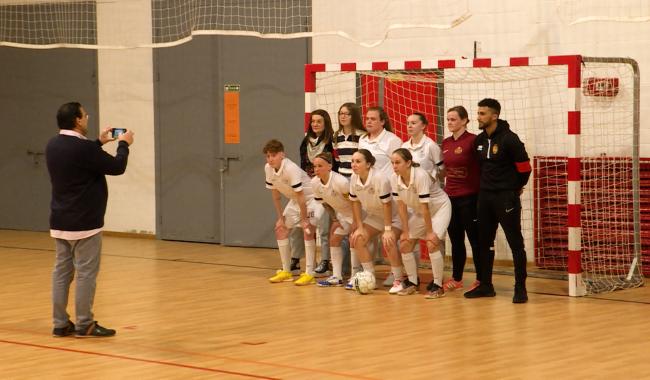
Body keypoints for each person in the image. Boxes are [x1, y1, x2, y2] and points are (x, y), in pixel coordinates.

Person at [46, 102, 134, 338]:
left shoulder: (53, 144)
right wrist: (124, 144)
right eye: (85, 115)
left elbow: (80, 158)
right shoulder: (83, 148)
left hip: (60, 220)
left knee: (61, 272)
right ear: (77, 120)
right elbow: (117, 167)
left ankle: (60, 323)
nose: (87, 118)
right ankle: (85, 323)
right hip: (85, 222)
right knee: (86, 273)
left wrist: (99, 142)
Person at [464, 98, 532, 303]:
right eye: (478, 113)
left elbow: (525, 169)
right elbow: (480, 168)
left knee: (515, 243)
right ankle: (486, 285)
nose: (478, 117)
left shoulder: (510, 139)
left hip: (505, 197)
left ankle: (520, 288)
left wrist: (514, 188)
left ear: (495, 115)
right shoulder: (479, 140)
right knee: (483, 242)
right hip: (485, 197)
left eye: (482, 113)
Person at [349, 149, 413, 294]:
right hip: (375, 216)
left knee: (388, 240)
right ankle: (369, 275)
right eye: (352, 161)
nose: (354, 164)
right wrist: (359, 226)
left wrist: (388, 229)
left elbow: (387, 205)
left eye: (358, 161)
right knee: (357, 238)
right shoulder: (354, 178)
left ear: (368, 164)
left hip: (394, 216)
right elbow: (355, 203)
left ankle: (398, 279)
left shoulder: (379, 178)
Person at [392, 148, 451, 297]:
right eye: (392, 163)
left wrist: (430, 233)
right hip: (421, 212)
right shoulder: (395, 178)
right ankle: (412, 283)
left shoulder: (420, 176)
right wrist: (405, 231)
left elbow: (425, 207)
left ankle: (438, 285)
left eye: (397, 162)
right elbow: (401, 206)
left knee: (432, 243)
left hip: (439, 209)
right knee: (405, 243)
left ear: (408, 162)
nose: (394, 166)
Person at [264, 139, 323, 286]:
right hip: (295, 201)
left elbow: (302, 196)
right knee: (280, 229)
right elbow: (275, 195)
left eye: (273, 155)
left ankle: (310, 273)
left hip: (312, 200)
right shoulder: (268, 168)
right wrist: (280, 218)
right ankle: (286, 271)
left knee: (308, 230)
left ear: (282, 155)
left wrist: (304, 220)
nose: (270, 159)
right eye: (268, 156)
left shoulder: (291, 168)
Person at [358, 106, 403, 285]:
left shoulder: (393, 140)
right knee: (358, 237)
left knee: (394, 239)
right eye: (367, 118)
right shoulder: (362, 140)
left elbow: (399, 166)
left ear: (383, 121)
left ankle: (398, 274)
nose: (368, 121)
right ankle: (368, 276)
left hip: (393, 198)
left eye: (373, 119)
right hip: (373, 199)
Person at [441, 106, 481, 293]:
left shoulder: (474, 141)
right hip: (450, 198)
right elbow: (444, 170)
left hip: (470, 198)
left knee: (475, 239)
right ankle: (457, 278)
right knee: (455, 240)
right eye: (448, 119)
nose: (450, 123)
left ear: (464, 121)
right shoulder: (446, 143)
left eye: (454, 119)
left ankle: (481, 279)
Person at [310, 152, 358, 287]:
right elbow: (324, 203)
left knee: (355, 241)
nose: (316, 169)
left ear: (330, 166)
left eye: (320, 166)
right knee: (334, 239)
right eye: (315, 166)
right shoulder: (314, 183)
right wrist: (335, 219)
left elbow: (355, 202)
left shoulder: (341, 182)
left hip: (357, 213)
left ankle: (354, 277)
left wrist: (356, 222)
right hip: (342, 215)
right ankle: (337, 276)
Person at [298, 109, 336, 277]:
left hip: (326, 186)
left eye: (319, 121)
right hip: (310, 186)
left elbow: (332, 165)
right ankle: (309, 261)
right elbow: (302, 165)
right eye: (313, 121)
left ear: (325, 123)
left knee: (325, 227)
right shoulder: (305, 141)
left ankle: (326, 260)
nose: (315, 124)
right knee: (308, 225)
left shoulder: (330, 141)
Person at [333, 102, 366, 277]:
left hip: (354, 180)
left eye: (346, 113)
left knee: (355, 223)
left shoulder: (361, 136)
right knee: (342, 222)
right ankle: (343, 268)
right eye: (340, 113)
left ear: (354, 116)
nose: (343, 116)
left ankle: (358, 268)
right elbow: (337, 159)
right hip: (340, 180)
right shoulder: (336, 135)